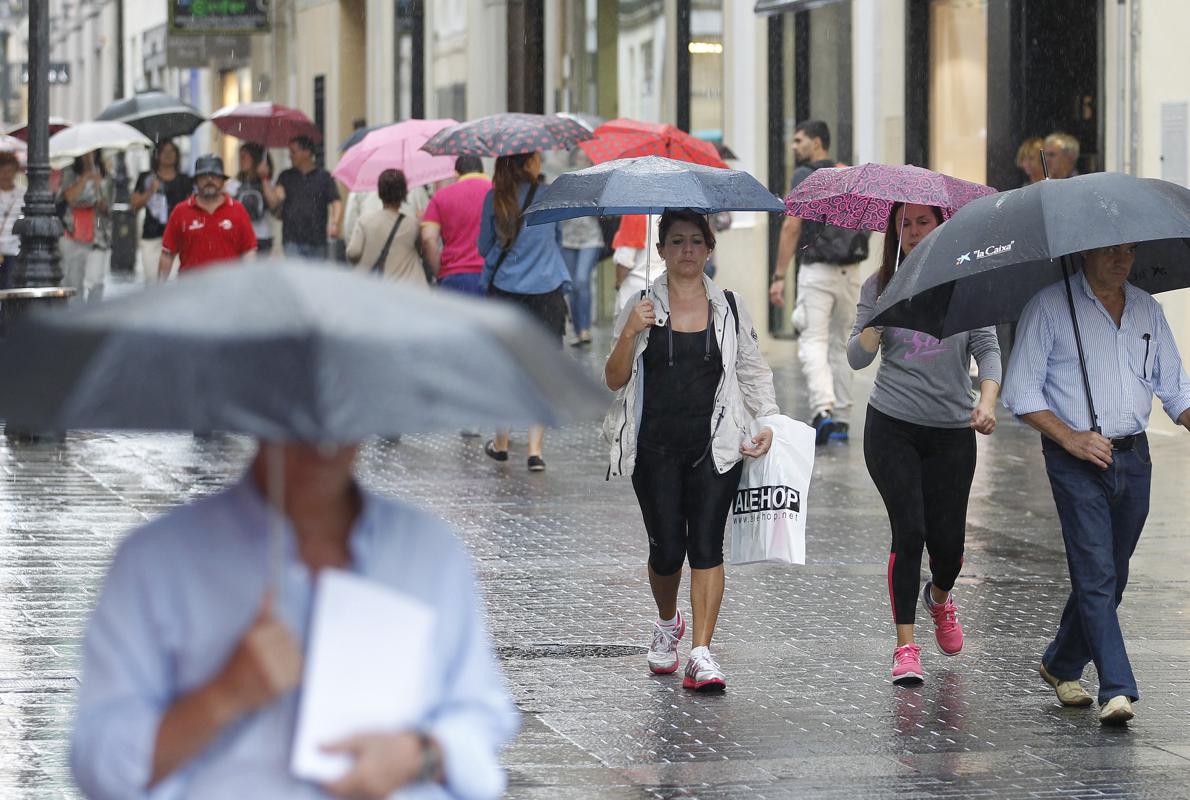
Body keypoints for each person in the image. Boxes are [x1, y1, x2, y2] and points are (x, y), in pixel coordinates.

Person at [70, 441, 519, 798]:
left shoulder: (430, 553)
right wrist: (223, 697)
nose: (323, 442)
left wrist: (419, 754)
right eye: (299, 421)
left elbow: (480, 713)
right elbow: (100, 764)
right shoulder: (159, 561)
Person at [1003, 243, 1190, 725]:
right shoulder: (1048, 307)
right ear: (1084, 252)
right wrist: (1070, 437)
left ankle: (1061, 662)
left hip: (1134, 457)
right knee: (1096, 574)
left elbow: (1175, 389)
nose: (1121, 258)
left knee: (1115, 575)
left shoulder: (1148, 307)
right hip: (1074, 460)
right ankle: (1118, 687)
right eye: (1110, 250)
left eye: (1128, 250)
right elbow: (1020, 390)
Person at [604, 209, 778, 692]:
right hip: (654, 447)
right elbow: (614, 378)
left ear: (709, 247)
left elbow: (752, 372)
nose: (686, 250)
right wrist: (629, 332)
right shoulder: (639, 303)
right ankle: (667, 622)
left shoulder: (731, 307)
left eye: (695, 241)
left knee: (706, 546)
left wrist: (767, 422)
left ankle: (701, 651)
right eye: (676, 241)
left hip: (715, 448)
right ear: (659, 249)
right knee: (666, 552)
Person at [847, 202, 1002, 687]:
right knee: (909, 530)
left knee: (950, 549)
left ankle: (939, 598)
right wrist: (880, 314)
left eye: (923, 222)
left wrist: (988, 400)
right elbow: (856, 357)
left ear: (941, 226)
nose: (913, 231)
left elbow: (988, 350)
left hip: (952, 431)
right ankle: (905, 646)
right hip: (891, 425)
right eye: (904, 223)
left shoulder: (966, 281)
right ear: (895, 229)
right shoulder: (879, 285)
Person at [769, 120, 869, 445]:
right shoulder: (847, 173)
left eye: (799, 140)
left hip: (817, 270)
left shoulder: (805, 175)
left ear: (817, 142)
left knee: (813, 341)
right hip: (850, 271)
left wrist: (779, 275)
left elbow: (791, 226)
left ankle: (823, 411)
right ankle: (841, 418)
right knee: (842, 344)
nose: (794, 147)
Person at [477, 150, 570, 472]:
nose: (541, 161)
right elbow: (557, 240)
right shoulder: (548, 196)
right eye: (537, 157)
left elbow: (483, 247)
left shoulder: (495, 198)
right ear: (527, 163)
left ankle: (501, 443)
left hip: (506, 293)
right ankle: (534, 450)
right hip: (546, 293)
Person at [158, 155, 257, 278]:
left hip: (230, 289)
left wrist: (249, 283)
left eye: (215, 176)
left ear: (222, 180)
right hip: (190, 289)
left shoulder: (238, 209)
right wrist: (159, 288)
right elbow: (167, 253)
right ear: (196, 181)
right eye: (203, 176)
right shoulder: (181, 211)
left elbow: (249, 251)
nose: (209, 180)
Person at [263, 136, 342, 259]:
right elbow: (274, 202)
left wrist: (335, 223)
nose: (290, 156)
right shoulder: (286, 176)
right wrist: (265, 178)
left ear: (307, 153)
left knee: (315, 278)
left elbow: (336, 201)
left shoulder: (324, 177)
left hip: (318, 241)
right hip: (292, 240)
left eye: (293, 152)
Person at [420, 155, 490, 295]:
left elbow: (428, 239)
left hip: (453, 277)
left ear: (456, 174)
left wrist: (439, 272)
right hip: (490, 276)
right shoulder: (498, 193)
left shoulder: (441, 196)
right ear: (482, 171)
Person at [346, 168, 427, 286]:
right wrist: (421, 224)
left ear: (380, 193)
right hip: (410, 290)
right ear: (404, 193)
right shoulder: (413, 224)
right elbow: (422, 251)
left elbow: (353, 253)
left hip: (379, 289)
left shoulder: (365, 221)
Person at [131, 140, 194, 282]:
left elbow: (191, 206)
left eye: (172, 151)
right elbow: (134, 206)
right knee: (153, 281)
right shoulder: (146, 178)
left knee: (173, 282)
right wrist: (150, 191)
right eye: (164, 151)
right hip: (152, 237)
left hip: (177, 237)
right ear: (157, 156)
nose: (168, 155)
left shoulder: (184, 180)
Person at [558, 150, 603, 346]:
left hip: (590, 238)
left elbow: (604, 211)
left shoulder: (596, 181)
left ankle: (585, 328)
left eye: (585, 157)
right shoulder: (565, 180)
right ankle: (577, 330)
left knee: (581, 281)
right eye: (579, 157)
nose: (581, 160)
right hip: (568, 238)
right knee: (571, 286)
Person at [57, 151, 113, 302]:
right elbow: (68, 197)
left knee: (96, 280)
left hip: (98, 236)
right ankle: (77, 318)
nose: (89, 155)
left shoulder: (106, 176)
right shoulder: (69, 172)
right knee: (74, 280)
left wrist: (98, 185)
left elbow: (107, 207)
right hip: (72, 233)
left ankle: (93, 316)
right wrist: (83, 179)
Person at [226, 142, 275, 256]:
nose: (241, 161)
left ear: (255, 158)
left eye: (244, 157)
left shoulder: (268, 183)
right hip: (240, 238)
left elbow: (274, 204)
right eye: (240, 157)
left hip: (262, 237)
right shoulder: (234, 184)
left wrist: (264, 178)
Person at [611, 213, 665, 315]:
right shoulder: (671, 213)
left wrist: (618, 284)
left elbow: (624, 261)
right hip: (664, 292)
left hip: (634, 294)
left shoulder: (634, 213)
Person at [0, 151, 25, 291]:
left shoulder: (23, 194)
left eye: (9, 171)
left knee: (10, 289)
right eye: (2, 171)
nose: (6, 175)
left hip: (13, 250)